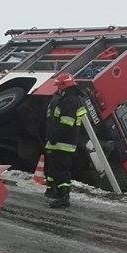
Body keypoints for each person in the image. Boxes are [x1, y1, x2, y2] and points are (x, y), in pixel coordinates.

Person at [44, 73, 88, 208]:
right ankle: (59, 194)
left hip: (63, 142)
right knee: (57, 169)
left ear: (64, 86)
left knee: (62, 170)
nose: (58, 89)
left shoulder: (70, 100)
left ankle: (64, 197)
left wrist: (54, 136)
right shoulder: (70, 99)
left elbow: (66, 123)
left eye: (59, 86)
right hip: (63, 142)